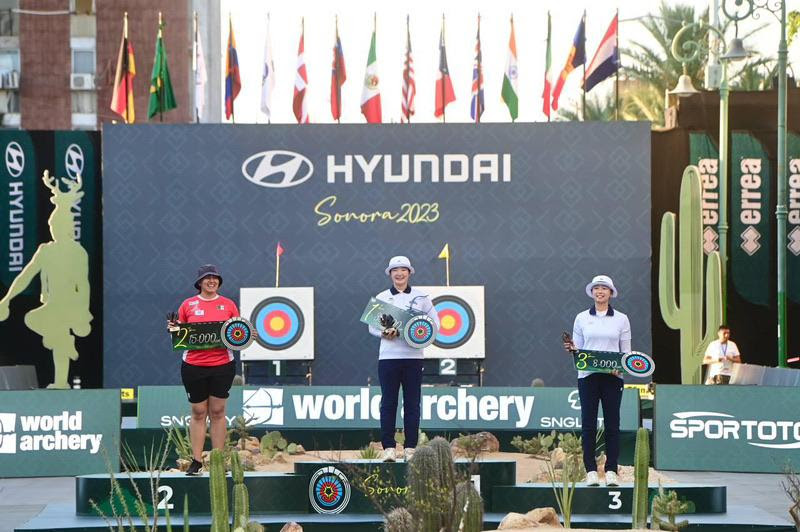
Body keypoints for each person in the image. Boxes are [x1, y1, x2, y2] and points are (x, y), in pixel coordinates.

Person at [168, 264, 239, 475]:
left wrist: (246, 334)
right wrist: (172, 329)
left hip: (222, 365)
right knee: (199, 412)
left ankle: (218, 462)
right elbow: (179, 333)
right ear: (199, 282)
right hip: (193, 366)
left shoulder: (228, 305)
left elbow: (238, 332)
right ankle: (196, 461)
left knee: (218, 412)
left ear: (219, 281)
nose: (211, 281)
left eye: (215, 278)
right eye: (207, 278)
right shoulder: (188, 305)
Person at [368, 256, 439, 462]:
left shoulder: (422, 297)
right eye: (395, 270)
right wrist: (383, 333)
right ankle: (388, 447)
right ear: (390, 274)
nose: (399, 273)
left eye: (403, 270)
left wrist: (420, 336)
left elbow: (435, 324)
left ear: (409, 273)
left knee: (412, 403)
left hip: (413, 358)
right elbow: (372, 326)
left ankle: (410, 448)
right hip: (388, 358)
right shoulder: (381, 297)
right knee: (388, 403)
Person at [563, 274, 630, 487]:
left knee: (612, 425)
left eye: (604, 288)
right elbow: (578, 350)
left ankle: (611, 471)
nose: (600, 291)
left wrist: (618, 369)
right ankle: (590, 470)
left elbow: (626, 353)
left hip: (613, 378)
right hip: (588, 378)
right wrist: (572, 349)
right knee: (588, 425)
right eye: (597, 288)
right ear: (592, 292)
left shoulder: (622, 319)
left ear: (611, 293)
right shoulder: (581, 318)